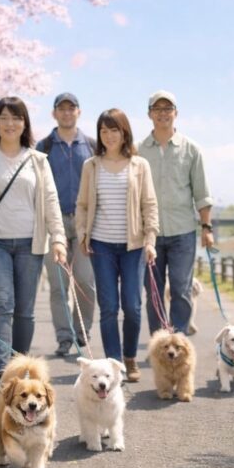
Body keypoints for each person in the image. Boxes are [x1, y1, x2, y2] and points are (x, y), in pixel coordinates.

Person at [0, 97, 67, 377]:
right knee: (2, 303)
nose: (10, 123)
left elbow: (51, 200)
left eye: (16, 118)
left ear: (25, 123)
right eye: (4, 117)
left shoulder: (37, 160)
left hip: (31, 243)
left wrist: (58, 238)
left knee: (24, 310)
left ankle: (20, 371)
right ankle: (2, 371)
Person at [75, 109, 158, 382]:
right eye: (104, 131)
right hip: (101, 246)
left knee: (132, 306)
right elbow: (82, 205)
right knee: (109, 307)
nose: (109, 136)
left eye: (114, 130)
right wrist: (83, 234)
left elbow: (149, 205)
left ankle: (130, 356)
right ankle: (114, 364)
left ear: (124, 133)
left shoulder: (139, 165)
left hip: (133, 246)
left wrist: (150, 240)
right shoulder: (91, 166)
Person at [137, 90, 214, 335]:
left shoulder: (191, 149)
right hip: (149, 234)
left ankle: (178, 338)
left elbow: (201, 193)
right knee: (154, 291)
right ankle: (159, 339)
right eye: (157, 109)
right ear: (149, 114)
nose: (163, 113)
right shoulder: (138, 150)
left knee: (181, 288)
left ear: (176, 113)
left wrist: (206, 228)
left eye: (167, 109)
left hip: (183, 232)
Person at [36, 92, 97, 357]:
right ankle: (64, 337)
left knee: (85, 281)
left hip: (85, 223)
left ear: (78, 112)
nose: (66, 112)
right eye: (61, 108)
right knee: (59, 285)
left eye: (71, 108)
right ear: (54, 113)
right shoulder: (44, 146)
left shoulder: (92, 145)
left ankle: (82, 332)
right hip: (54, 222)